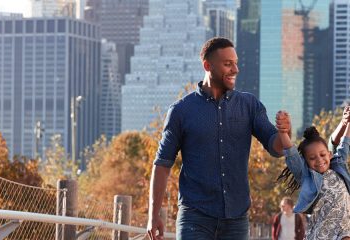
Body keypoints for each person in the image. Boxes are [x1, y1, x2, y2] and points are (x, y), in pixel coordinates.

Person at [146, 37, 291, 240]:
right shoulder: (181, 111)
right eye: (228, 64)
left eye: (236, 63)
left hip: (236, 219)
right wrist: (153, 215)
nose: (236, 69)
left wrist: (284, 133)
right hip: (195, 218)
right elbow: (162, 165)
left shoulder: (249, 105)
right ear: (208, 65)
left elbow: (275, 147)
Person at [276, 109, 350, 240]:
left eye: (322, 155)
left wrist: (347, 122)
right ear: (305, 162)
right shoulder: (307, 177)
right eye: (312, 158)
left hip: (344, 229)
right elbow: (292, 154)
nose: (319, 160)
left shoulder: (338, 166)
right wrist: (283, 133)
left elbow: (344, 143)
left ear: (329, 154)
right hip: (323, 233)